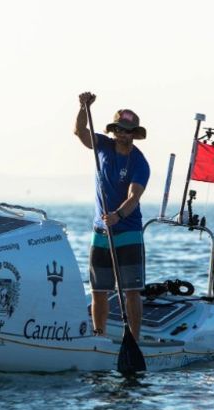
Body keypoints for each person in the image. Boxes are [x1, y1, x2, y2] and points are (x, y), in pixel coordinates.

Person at [74, 91, 150, 339]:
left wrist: (118, 215)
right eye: (119, 129)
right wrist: (84, 109)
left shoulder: (140, 163)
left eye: (128, 131)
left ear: (134, 134)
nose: (122, 134)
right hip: (101, 231)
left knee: (131, 291)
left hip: (128, 231)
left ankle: (134, 339)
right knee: (98, 290)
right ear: (113, 130)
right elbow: (80, 133)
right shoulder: (103, 146)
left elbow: (134, 196)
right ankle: (99, 336)